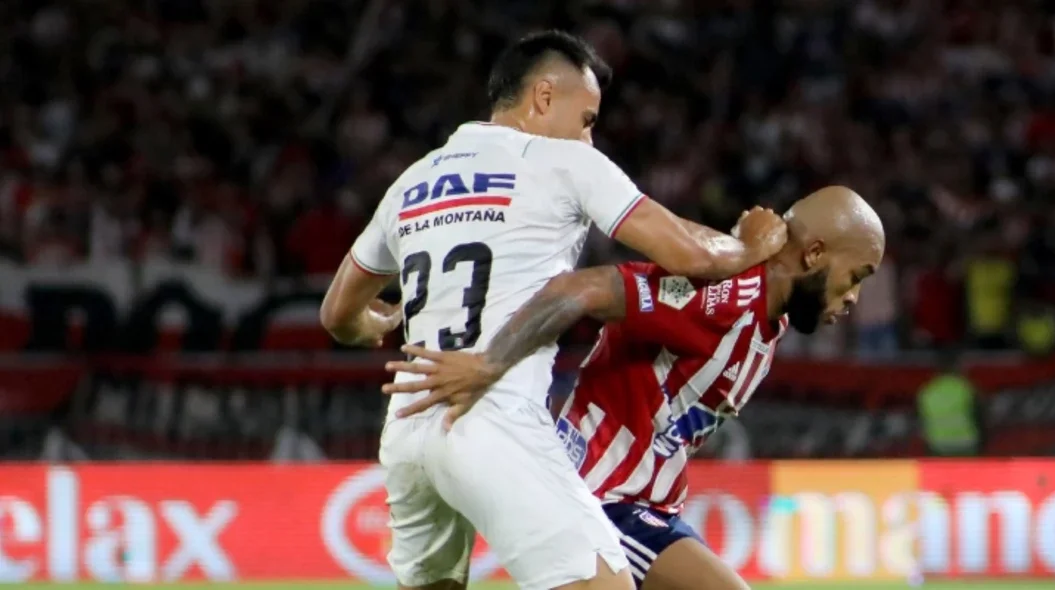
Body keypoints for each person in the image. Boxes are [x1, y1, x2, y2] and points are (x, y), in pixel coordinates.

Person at [318, 31, 787, 590]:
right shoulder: (564, 162)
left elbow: (337, 314)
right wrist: (746, 246)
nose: (589, 138)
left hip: (407, 426)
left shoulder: (413, 180)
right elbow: (685, 253)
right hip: (488, 414)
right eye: (587, 119)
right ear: (543, 97)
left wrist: (378, 321)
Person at [384, 186, 885, 589]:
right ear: (815, 253)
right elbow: (577, 290)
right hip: (607, 501)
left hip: (649, 509)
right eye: (855, 276)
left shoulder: (763, 316)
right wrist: (487, 365)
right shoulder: (728, 300)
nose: (855, 297)